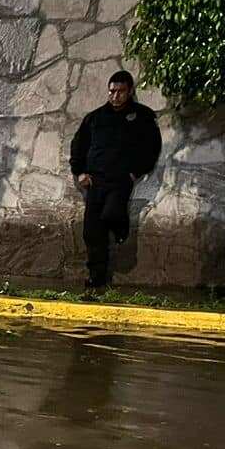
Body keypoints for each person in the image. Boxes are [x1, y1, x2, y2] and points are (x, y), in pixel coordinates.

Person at [70, 70, 162, 289]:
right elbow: (78, 146)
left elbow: (152, 147)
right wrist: (80, 172)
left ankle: (121, 230)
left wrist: (135, 172)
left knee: (112, 214)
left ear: (129, 92)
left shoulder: (142, 116)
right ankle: (97, 278)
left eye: (120, 91)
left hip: (120, 180)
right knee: (92, 231)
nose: (115, 96)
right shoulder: (95, 118)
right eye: (112, 91)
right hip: (95, 180)